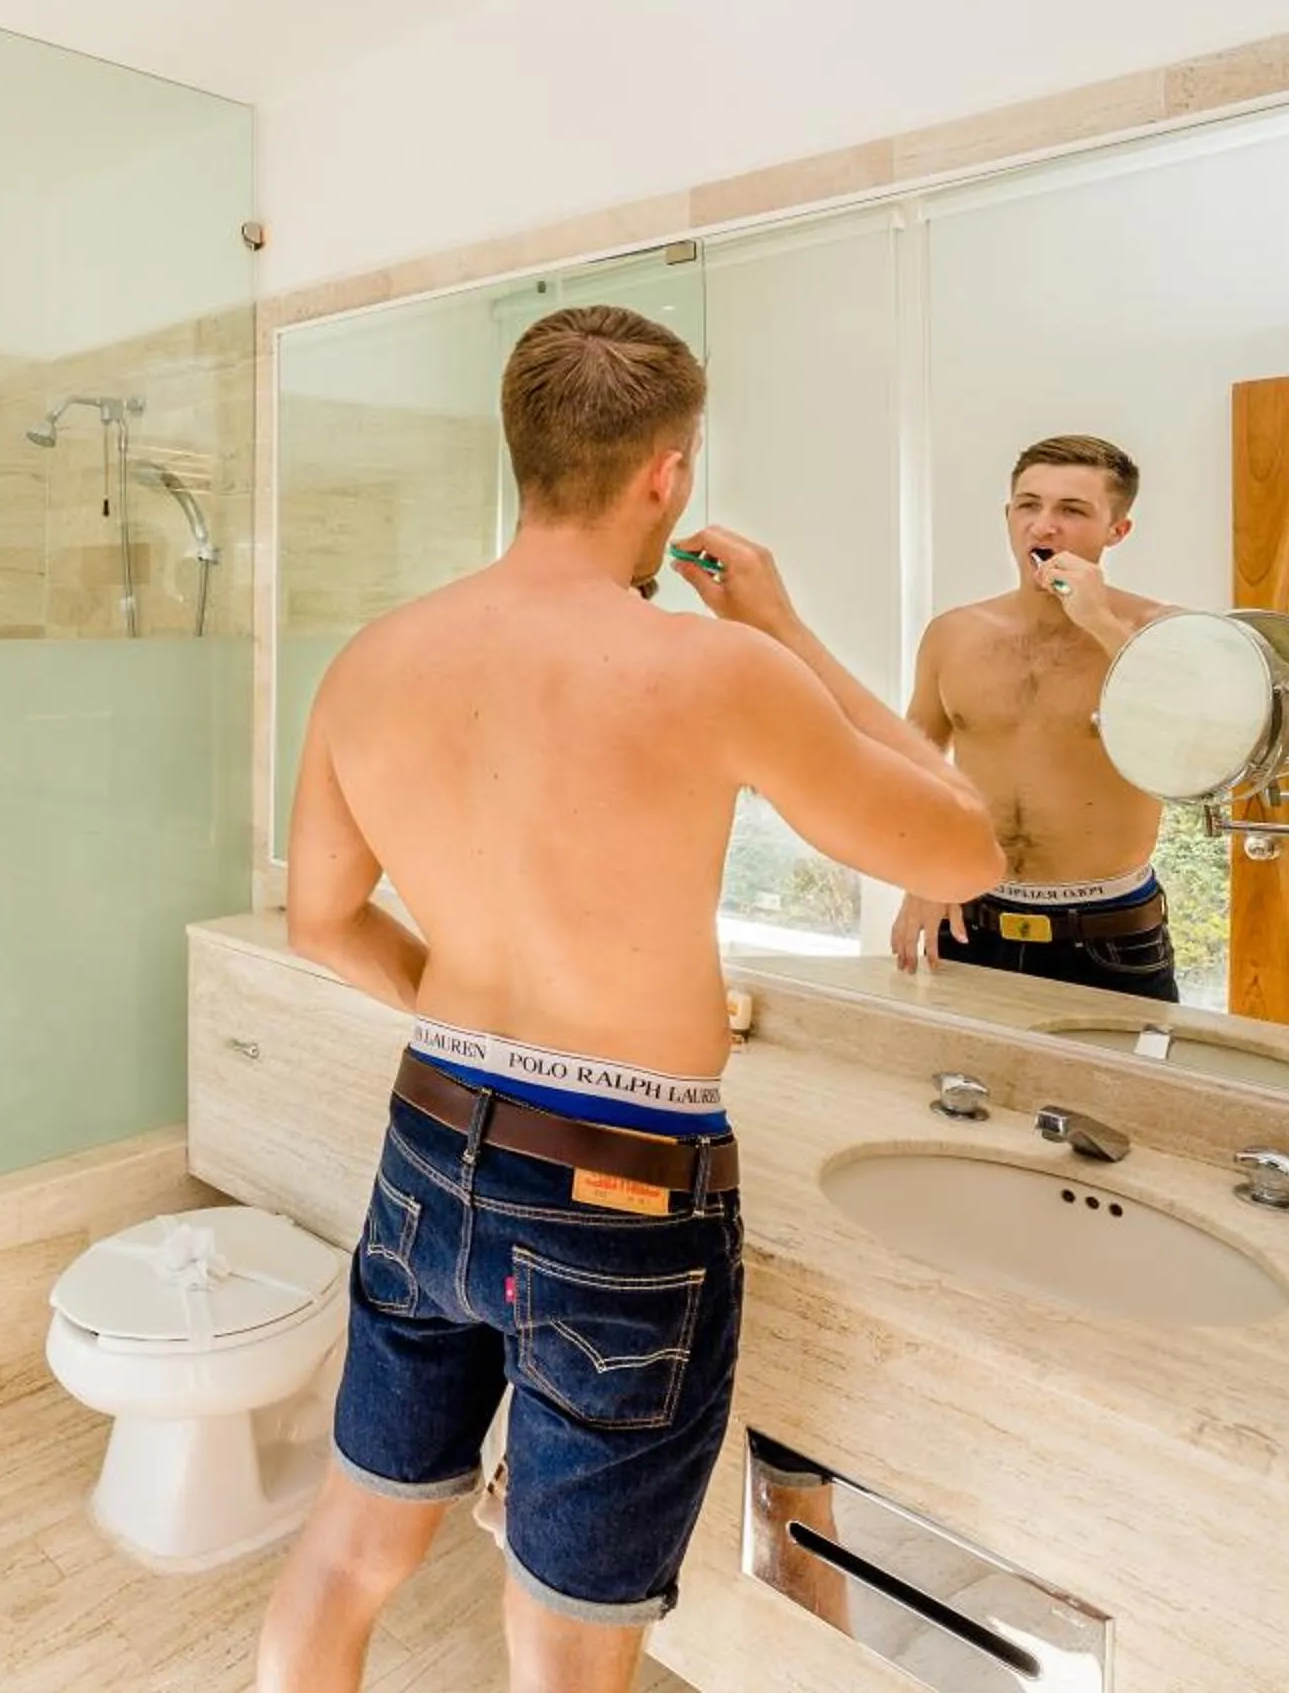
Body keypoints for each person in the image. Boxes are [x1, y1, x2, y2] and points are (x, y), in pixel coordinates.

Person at [254, 306, 1003, 1693]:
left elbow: (321, 919)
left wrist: (479, 1033)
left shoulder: (374, 660)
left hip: (428, 1148)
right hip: (621, 1192)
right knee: (563, 1640)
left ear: (525, 451)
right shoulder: (717, 668)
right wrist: (781, 624)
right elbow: (969, 843)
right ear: (666, 472)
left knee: (352, 1553)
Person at [891, 437, 1181, 1001]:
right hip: (969, 922)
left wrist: (1099, 621)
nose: (1043, 526)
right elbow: (913, 764)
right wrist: (922, 871)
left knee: (1118, 1093)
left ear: (1116, 531)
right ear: (1008, 516)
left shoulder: (1159, 634)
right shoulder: (953, 635)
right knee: (954, 1089)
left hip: (1108, 935)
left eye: (1072, 511)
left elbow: (1192, 745)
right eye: (1028, 505)